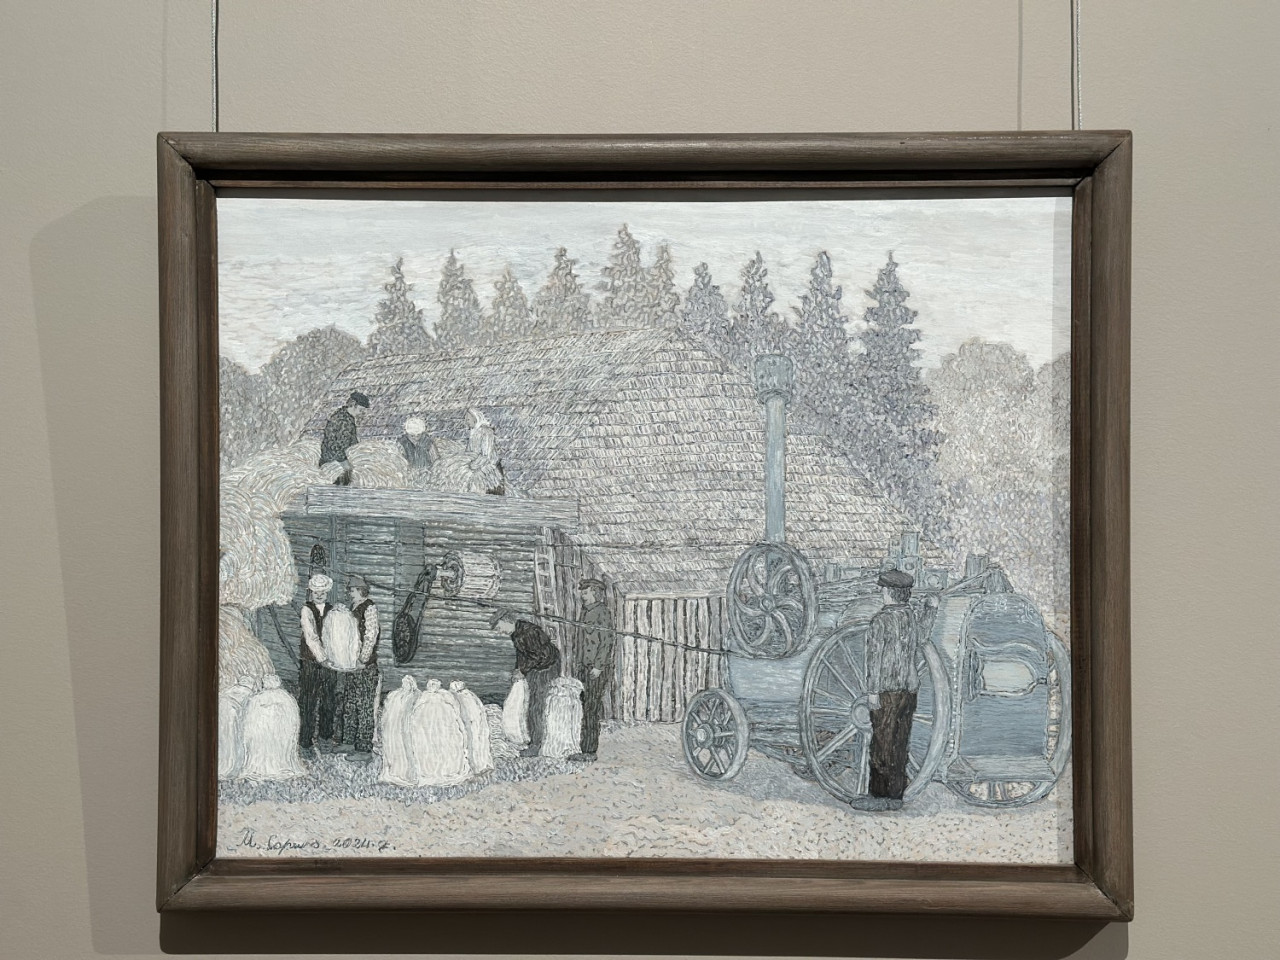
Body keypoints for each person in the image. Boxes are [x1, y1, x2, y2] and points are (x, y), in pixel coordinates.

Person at [851, 569, 920, 811]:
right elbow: (922, 639)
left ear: (889, 592)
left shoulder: (880, 620)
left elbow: (874, 658)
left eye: (883, 589)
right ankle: (895, 796)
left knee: (881, 743)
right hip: (908, 689)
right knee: (900, 742)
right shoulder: (910, 617)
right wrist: (932, 608)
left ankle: (879, 797)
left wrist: (872, 691)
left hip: (886, 690)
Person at [490, 608, 559, 757]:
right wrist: (517, 670)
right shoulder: (516, 633)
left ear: (506, 620)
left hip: (546, 668)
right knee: (528, 703)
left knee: (536, 705)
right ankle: (531, 740)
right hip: (535, 667)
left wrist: (523, 670)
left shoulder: (528, 632)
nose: (500, 632)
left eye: (500, 628)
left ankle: (536, 745)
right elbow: (522, 655)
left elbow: (539, 655)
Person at [570, 578, 615, 762]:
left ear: (595, 593)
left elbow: (606, 642)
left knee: (591, 708)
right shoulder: (584, 611)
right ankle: (584, 748)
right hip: (584, 667)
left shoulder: (602, 612)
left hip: (596, 669)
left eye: (586, 592)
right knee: (584, 706)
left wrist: (598, 666)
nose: (582, 595)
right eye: (582, 592)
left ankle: (589, 750)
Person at [340, 574, 381, 762]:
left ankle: (363, 749)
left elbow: (371, 635)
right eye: (350, 590)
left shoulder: (369, 608)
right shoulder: (353, 607)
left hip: (364, 666)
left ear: (361, 590)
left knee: (364, 706)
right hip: (351, 664)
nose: (350, 593)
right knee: (350, 703)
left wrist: (363, 659)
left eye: (352, 590)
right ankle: (349, 741)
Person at [297, 573, 339, 759]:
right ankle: (305, 742)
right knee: (308, 700)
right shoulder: (307, 610)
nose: (319, 595)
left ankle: (325, 737)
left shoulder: (333, 610)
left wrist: (334, 657)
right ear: (311, 593)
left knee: (328, 700)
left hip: (330, 662)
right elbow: (311, 636)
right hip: (310, 662)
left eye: (322, 592)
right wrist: (322, 658)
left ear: (327, 593)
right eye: (316, 592)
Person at [319, 390, 370, 485]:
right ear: (353, 405)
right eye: (360, 410)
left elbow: (352, 442)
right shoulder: (341, 420)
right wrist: (346, 462)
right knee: (351, 473)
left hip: (342, 457)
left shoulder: (349, 418)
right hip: (332, 460)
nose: (361, 413)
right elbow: (334, 446)